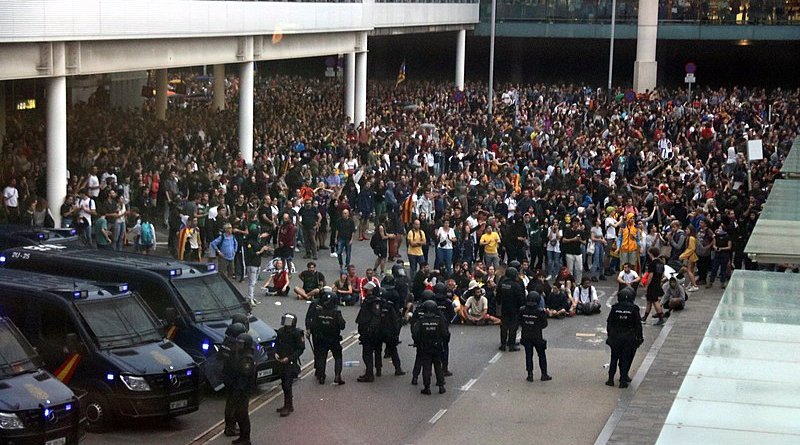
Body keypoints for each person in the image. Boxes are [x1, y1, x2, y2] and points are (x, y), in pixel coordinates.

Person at [605, 287, 643, 388]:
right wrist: (639, 337)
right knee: (625, 358)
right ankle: (623, 380)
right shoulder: (634, 309)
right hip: (628, 337)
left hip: (616, 336)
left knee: (614, 358)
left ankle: (610, 379)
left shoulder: (615, 308)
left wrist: (610, 335)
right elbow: (638, 325)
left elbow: (609, 323)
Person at [307, 291, 346, 385]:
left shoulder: (319, 312)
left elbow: (314, 325)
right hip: (334, 339)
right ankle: (337, 376)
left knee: (322, 357)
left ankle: (321, 376)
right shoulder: (336, 313)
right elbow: (342, 325)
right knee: (338, 357)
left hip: (322, 338)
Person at [411, 299, 449, 395]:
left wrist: (418, 342)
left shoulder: (421, 320)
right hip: (437, 346)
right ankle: (441, 386)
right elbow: (445, 333)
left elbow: (415, 333)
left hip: (425, 346)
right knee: (438, 365)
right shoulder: (438, 319)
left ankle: (427, 387)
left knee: (426, 367)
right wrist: (442, 342)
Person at [274, 313, 305, 417]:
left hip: (290, 362)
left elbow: (300, 349)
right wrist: (276, 353)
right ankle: (288, 405)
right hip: (281, 361)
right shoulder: (281, 331)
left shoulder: (297, 333)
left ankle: (287, 406)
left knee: (287, 385)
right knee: (283, 383)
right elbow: (277, 343)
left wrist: (290, 358)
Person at [228, 333, 256, 445]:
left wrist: (239, 391)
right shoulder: (240, 354)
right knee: (238, 414)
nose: (239, 345)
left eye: (241, 344)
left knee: (242, 414)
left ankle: (246, 438)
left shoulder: (247, 359)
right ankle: (242, 437)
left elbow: (244, 377)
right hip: (238, 389)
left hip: (243, 392)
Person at [221, 322, 248, 438]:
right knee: (236, 404)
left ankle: (229, 426)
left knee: (229, 402)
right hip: (234, 378)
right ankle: (231, 428)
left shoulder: (225, 343)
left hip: (227, 376)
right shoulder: (235, 347)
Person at [519, 291, 552, 382]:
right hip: (537, 336)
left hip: (526, 335)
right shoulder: (540, 311)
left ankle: (530, 374)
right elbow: (544, 324)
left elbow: (520, 321)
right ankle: (544, 374)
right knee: (541, 355)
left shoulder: (522, 310)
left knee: (528, 355)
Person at [355, 282, 383, 382]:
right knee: (372, 352)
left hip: (370, 332)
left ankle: (370, 374)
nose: (366, 292)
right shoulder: (369, 301)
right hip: (370, 331)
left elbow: (375, 317)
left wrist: (369, 329)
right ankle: (372, 371)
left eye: (368, 290)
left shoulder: (374, 302)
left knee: (367, 354)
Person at [497, 267, 525, 351]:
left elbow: (498, 295)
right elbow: (520, 298)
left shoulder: (502, 283)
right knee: (513, 327)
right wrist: (521, 305)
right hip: (514, 308)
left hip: (504, 308)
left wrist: (499, 303)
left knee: (504, 326)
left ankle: (503, 344)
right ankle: (511, 345)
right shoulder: (516, 285)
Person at [433, 282, 455, 376]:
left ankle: (431, 369)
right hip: (443, 329)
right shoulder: (448, 302)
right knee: (445, 349)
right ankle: (444, 368)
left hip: (433, 327)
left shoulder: (432, 301)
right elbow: (452, 315)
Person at [243, 232, 270, 306]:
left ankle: (252, 296)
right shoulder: (250, 243)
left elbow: (261, 250)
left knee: (254, 282)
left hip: (257, 264)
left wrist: (264, 249)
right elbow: (251, 254)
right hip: (252, 264)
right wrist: (261, 251)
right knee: (252, 283)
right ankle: (250, 298)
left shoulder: (257, 242)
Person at [642, 247, 666, 325]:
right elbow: (662, 275)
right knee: (649, 301)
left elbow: (650, 276)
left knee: (655, 301)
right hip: (658, 283)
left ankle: (661, 317)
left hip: (652, 284)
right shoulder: (661, 263)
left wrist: (647, 285)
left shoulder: (652, 264)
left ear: (651, 254)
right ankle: (645, 317)